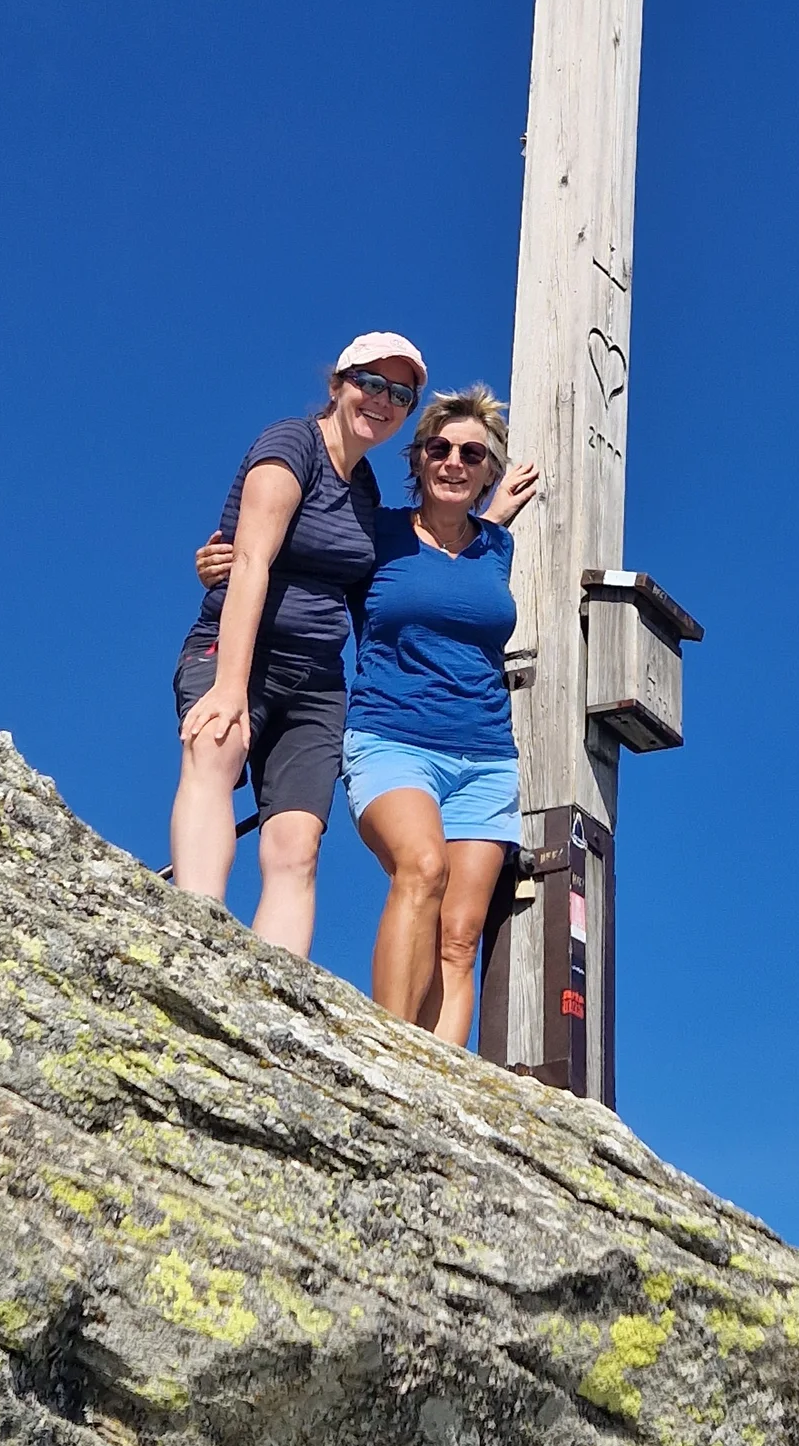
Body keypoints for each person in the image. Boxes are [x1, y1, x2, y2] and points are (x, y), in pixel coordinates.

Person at [170, 333, 427, 956]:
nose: (383, 401)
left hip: (316, 681)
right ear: (338, 385)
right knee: (216, 746)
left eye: (401, 395)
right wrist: (230, 686)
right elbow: (250, 561)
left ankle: (270, 984)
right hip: (241, 651)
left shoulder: (364, 489)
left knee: (297, 842)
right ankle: (194, 936)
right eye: (371, 383)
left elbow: (383, 583)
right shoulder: (293, 445)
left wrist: (488, 524)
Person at [346, 386, 536, 1045]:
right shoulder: (380, 534)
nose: (454, 461)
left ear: (488, 472)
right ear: (419, 460)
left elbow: (476, 549)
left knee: (458, 935)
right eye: (440, 448)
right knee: (422, 867)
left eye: (472, 454)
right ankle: (387, 1054)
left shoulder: (497, 548)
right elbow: (307, 555)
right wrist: (229, 559)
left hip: (485, 759)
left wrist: (497, 512)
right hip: (391, 742)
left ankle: (436, 1082)